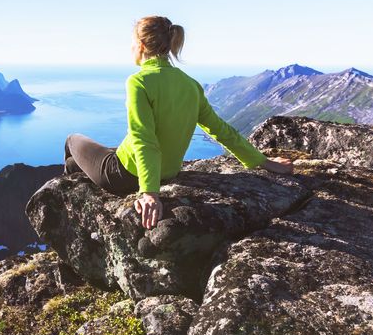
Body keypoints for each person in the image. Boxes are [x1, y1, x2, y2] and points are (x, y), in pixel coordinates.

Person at [64, 15, 293, 230]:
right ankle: (75, 172)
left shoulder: (138, 82)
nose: (131, 48)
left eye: (133, 42)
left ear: (142, 45)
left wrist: (150, 193)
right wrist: (263, 162)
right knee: (78, 163)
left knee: (72, 140)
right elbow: (221, 130)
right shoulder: (190, 84)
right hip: (169, 172)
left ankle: (66, 211)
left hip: (123, 175)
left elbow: (144, 138)